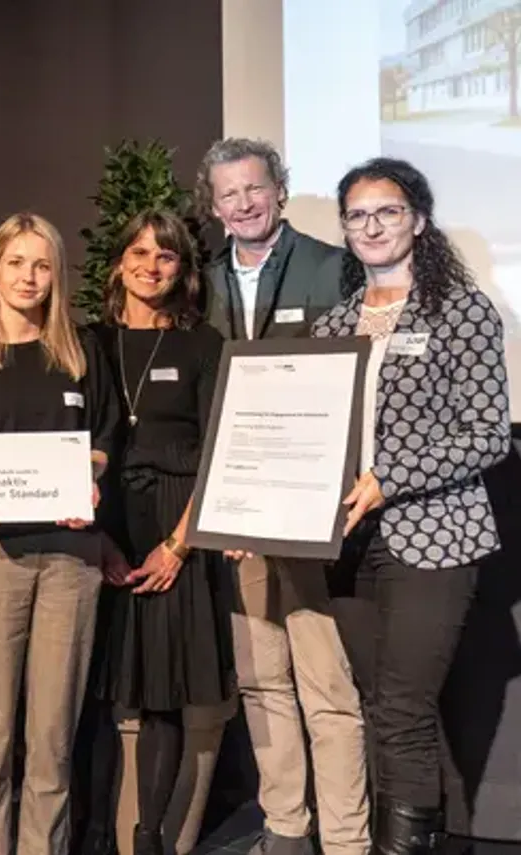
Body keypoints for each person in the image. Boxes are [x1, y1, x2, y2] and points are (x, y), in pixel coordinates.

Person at [311, 157, 510, 855]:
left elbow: (487, 434)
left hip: (434, 537)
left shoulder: (460, 309)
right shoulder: (331, 325)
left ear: (418, 220)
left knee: (402, 707)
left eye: (388, 211)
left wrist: (390, 477)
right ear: (344, 228)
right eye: (358, 214)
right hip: (347, 543)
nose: (372, 225)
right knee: (378, 708)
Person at [200, 137, 370, 855]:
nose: (243, 203)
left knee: (326, 685)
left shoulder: (332, 268)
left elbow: (359, 387)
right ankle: (286, 826)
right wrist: (229, 503)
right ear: (213, 207)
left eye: (255, 189)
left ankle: (346, 836)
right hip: (237, 513)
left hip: (309, 513)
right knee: (263, 680)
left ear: (280, 189)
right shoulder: (201, 283)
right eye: (228, 194)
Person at [0, 212, 126, 855]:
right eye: (16, 262)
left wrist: (90, 481)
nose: (29, 277)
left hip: (71, 557)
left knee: (52, 729)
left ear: (57, 276)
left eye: (42, 264)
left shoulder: (82, 353)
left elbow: (104, 442)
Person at [86, 209, 236, 855]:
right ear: (119, 261)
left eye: (166, 255)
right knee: (96, 690)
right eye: (140, 252)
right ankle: (95, 833)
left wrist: (180, 543)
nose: (151, 265)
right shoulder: (87, 341)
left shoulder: (204, 345)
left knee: (163, 693)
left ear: (183, 268)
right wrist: (100, 537)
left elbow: (218, 450)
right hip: (101, 514)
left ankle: (147, 836)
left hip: (179, 517)